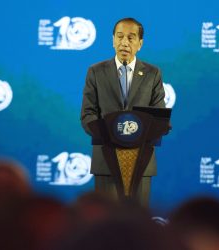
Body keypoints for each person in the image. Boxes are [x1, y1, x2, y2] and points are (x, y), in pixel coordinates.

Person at [80, 17, 166, 206]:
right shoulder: (95, 72)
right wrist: (112, 135)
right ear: (113, 40)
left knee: (138, 225)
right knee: (105, 223)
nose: (124, 42)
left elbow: (159, 116)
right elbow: (88, 114)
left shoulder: (153, 73)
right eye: (119, 37)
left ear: (140, 44)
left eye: (131, 37)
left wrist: (136, 136)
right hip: (106, 158)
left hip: (141, 161)